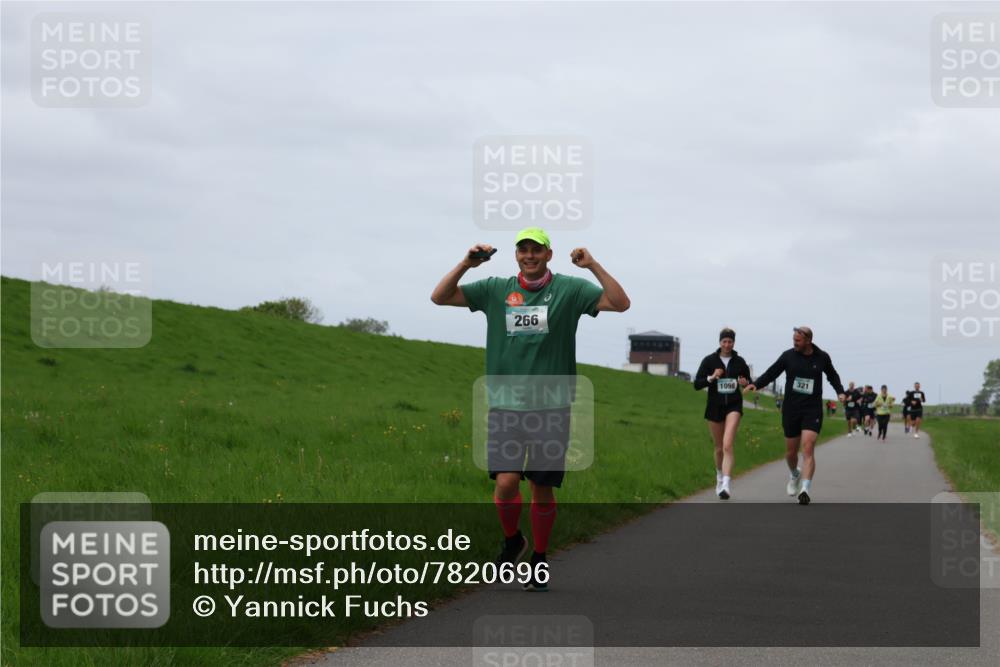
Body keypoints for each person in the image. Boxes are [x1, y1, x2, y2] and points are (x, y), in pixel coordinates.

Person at [430, 227, 630, 591]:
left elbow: (620, 303)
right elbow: (439, 297)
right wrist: (467, 263)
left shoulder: (570, 290)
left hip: (552, 407)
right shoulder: (495, 289)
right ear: (516, 255)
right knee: (506, 482)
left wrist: (592, 266)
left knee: (541, 487)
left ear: (548, 254)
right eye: (523, 250)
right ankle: (512, 540)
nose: (529, 256)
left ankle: (539, 558)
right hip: (505, 406)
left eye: (536, 250)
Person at [745, 326, 845, 505]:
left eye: (798, 341)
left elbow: (832, 375)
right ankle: (794, 474)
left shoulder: (822, 357)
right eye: (793, 340)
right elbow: (772, 372)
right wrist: (756, 384)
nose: (794, 343)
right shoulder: (788, 356)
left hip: (812, 409)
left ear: (808, 340)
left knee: (808, 447)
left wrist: (840, 391)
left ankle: (805, 489)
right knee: (791, 453)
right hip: (791, 408)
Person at [693, 328, 751, 500]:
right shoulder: (709, 360)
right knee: (719, 448)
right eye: (724, 341)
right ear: (720, 342)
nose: (727, 345)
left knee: (727, 445)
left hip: (734, 405)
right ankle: (719, 477)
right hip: (715, 407)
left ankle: (726, 484)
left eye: (730, 341)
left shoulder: (739, 361)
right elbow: (697, 384)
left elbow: (748, 382)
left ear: (734, 343)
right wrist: (711, 377)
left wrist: (744, 383)